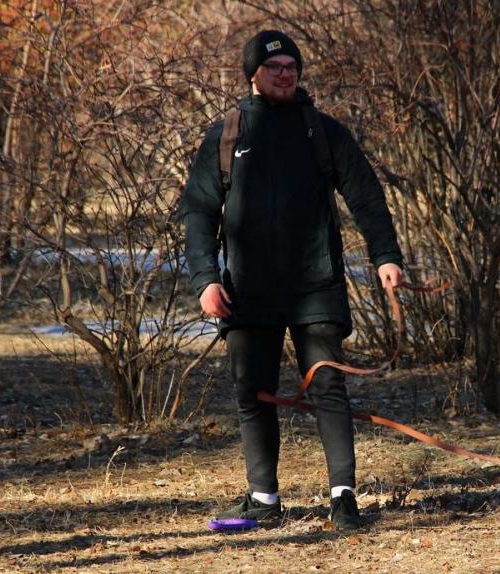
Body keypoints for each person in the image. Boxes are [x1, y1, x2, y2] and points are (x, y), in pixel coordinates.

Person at [180, 30, 404, 530]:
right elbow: (198, 212)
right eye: (274, 66)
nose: (285, 74)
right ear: (253, 75)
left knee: (328, 386)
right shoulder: (228, 135)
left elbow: (365, 196)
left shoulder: (323, 131)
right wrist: (205, 280)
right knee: (252, 393)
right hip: (248, 289)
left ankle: (344, 499)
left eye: (291, 66)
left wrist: (386, 255)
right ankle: (263, 499)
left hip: (316, 283)